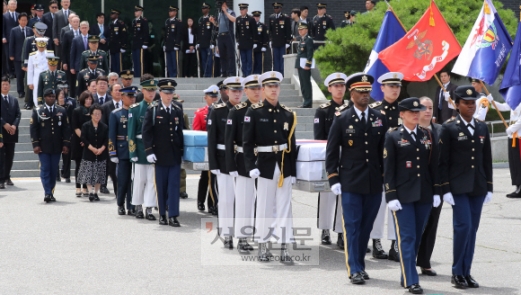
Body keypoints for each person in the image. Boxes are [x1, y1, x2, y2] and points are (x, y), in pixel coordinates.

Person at [325, 73, 387, 284]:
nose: (365, 95)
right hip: (350, 181)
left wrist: (386, 178)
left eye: (367, 92)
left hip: (373, 181)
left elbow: (383, 152)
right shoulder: (342, 118)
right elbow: (332, 151)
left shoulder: (379, 118)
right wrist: (333, 179)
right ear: (352, 94)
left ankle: (360, 263)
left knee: (366, 227)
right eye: (360, 92)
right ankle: (354, 269)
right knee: (352, 225)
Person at [384, 97, 440, 295]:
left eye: (418, 111)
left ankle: (405, 276)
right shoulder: (393, 136)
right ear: (402, 114)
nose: (416, 114)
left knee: (416, 238)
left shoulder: (426, 134)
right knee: (406, 237)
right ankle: (412, 281)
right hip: (402, 196)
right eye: (411, 112)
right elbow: (388, 169)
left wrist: (436, 191)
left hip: (424, 195)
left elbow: (433, 166)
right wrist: (391, 195)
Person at [439, 85, 493, 289]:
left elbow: (486, 159)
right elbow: (442, 161)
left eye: (473, 103)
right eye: (466, 103)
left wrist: (489, 187)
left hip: (477, 186)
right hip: (457, 187)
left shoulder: (481, 127)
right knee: (463, 227)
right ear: (456, 104)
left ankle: (467, 272)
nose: (471, 106)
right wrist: (445, 188)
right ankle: (456, 272)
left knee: (473, 230)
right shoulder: (449, 128)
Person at [243, 71, 297, 263]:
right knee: (264, 206)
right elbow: (247, 143)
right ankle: (263, 246)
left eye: (276, 86)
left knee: (284, 207)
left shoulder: (288, 113)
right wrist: (250, 165)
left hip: (284, 165)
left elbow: (291, 145)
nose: (274, 90)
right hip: (264, 164)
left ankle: (284, 247)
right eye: (270, 87)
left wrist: (294, 171)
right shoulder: (254, 111)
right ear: (263, 89)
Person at [225, 74, 262, 253]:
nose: (256, 92)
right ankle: (242, 237)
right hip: (242, 162)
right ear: (245, 90)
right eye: (252, 89)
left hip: (264, 161)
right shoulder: (237, 111)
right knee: (245, 201)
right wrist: (231, 166)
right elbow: (229, 141)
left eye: (258, 88)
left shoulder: (265, 109)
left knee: (263, 202)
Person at [369, 72, 404, 262]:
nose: (394, 89)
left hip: (399, 165)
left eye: (397, 86)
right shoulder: (374, 110)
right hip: (379, 165)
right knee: (379, 205)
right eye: (390, 86)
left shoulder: (405, 110)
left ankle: (394, 244)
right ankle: (376, 241)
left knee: (397, 205)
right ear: (382, 88)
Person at [142, 78, 184, 227]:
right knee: (161, 185)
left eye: (171, 93)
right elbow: (146, 132)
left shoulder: (177, 109)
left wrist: (182, 151)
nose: (169, 96)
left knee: (173, 185)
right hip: (159, 154)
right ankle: (161, 214)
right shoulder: (153, 109)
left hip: (174, 154)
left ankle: (173, 215)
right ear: (160, 93)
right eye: (166, 93)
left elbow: (180, 133)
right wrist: (149, 151)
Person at [314, 73, 349, 249]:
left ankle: (342, 232)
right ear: (329, 89)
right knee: (327, 195)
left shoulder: (350, 108)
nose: (339, 88)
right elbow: (318, 137)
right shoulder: (323, 110)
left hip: (349, 157)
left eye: (342, 85)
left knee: (345, 197)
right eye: (336, 86)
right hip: (329, 155)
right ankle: (325, 229)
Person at [208, 76, 244, 248]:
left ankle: (243, 235)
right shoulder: (218, 110)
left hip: (242, 160)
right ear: (227, 91)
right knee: (226, 200)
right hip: (222, 161)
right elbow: (211, 140)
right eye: (234, 90)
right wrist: (213, 164)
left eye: (239, 90)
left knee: (244, 200)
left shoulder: (247, 110)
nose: (237, 94)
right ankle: (227, 234)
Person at [416, 96, 443, 277]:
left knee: (432, 224)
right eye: (424, 107)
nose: (428, 110)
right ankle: (409, 261)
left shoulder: (441, 130)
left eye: (431, 107)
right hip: (416, 186)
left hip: (437, 185)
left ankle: (425, 262)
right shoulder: (411, 131)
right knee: (416, 225)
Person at [29, 88, 71, 203]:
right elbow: (34, 129)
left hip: (57, 146)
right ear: (44, 98)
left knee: (53, 170)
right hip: (43, 146)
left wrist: (66, 143)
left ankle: (51, 191)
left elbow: (66, 129)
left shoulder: (61, 110)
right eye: (49, 96)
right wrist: (35, 144)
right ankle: (47, 192)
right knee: (45, 169)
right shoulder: (38, 110)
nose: (51, 98)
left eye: (53, 96)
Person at [127, 79, 157, 220]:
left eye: (153, 90)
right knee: (139, 180)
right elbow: (131, 133)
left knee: (152, 180)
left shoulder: (157, 107)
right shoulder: (136, 108)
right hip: (139, 148)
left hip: (154, 148)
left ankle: (149, 208)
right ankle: (138, 206)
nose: (151, 93)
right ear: (143, 91)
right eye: (148, 90)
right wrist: (132, 152)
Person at [109, 86, 137, 216]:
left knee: (134, 180)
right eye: (129, 97)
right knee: (123, 179)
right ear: (122, 97)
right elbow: (112, 134)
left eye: (133, 96)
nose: (132, 99)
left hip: (135, 150)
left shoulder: (136, 112)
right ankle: (120, 204)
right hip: (122, 150)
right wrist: (112, 152)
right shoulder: (116, 114)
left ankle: (131, 205)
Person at [193, 85, 219, 214]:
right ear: (205, 98)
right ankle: (200, 201)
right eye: (211, 96)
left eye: (216, 96)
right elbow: (196, 132)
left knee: (214, 177)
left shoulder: (220, 111)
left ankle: (212, 204)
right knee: (205, 177)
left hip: (217, 149)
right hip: (205, 149)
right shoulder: (200, 113)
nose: (214, 99)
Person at [489, 98, 521, 198]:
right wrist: (492, 101)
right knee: (514, 163)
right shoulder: (515, 99)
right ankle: (518, 185)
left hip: (519, 135)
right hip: (512, 135)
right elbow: (503, 107)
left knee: (519, 161)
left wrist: (512, 128)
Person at [77, 104, 108, 202]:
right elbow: (83, 138)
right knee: (88, 173)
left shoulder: (104, 126)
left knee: (99, 173)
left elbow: (107, 139)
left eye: (99, 114)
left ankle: (96, 192)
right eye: (95, 114)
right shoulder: (86, 126)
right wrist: (92, 148)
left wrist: (102, 148)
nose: (97, 116)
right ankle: (90, 192)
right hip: (89, 152)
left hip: (101, 153)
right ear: (91, 114)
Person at [21, 22, 52, 109]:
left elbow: (50, 54)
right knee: (30, 86)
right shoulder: (29, 40)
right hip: (34, 67)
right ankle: (28, 102)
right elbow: (26, 52)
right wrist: (25, 64)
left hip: (45, 70)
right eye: (38, 31)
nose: (40, 33)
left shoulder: (47, 40)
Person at [100, 83, 122, 195]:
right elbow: (103, 126)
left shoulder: (127, 105)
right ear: (111, 92)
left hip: (124, 142)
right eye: (116, 90)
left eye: (120, 90)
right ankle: (117, 190)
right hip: (111, 142)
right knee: (112, 167)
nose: (118, 92)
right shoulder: (105, 106)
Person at [0, 76, 21, 188]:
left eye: (7, 84)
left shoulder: (14, 99)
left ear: (9, 86)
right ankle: (1, 179)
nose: (5, 86)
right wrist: (4, 123)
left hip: (11, 133)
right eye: (3, 84)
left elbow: (18, 114)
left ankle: (7, 176)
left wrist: (14, 125)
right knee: (1, 157)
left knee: (10, 155)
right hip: (1, 133)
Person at [71, 90, 92, 196]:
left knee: (88, 165)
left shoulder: (93, 111)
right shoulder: (77, 110)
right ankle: (78, 186)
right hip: (78, 141)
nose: (88, 101)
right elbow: (75, 127)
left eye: (90, 99)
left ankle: (85, 187)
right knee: (79, 165)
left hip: (89, 142)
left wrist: (88, 141)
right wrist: (84, 139)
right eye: (86, 99)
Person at [10, 13, 33, 99]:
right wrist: (11, 54)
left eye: (25, 20)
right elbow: (11, 43)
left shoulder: (30, 30)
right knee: (19, 75)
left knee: (28, 75)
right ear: (19, 20)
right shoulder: (14, 30)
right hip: (18, 56)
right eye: (22, 20)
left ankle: (28, 92)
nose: (23, 22)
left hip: (29, 56)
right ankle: (20, 91)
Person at [210, 1, 237, 77]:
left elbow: (234, 20)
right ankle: (224, 71)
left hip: (228, 35)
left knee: (230, 54)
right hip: (221, 36)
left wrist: (226, 12)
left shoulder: (231, 12)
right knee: (222, 55)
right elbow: (218, 25)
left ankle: (231, 72)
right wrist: (213, 22)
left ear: (225, 4)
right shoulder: (219, 14)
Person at [55, 88, 73, 182]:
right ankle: (56, 175)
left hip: (66, 133)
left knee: (67, 156)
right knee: (56, 156)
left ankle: (66, 174)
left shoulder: (69, 106)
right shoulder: (54, 107)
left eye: (63, 94)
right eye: (60, 94)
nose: (61, 95)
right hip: (57, 135)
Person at [268, 2, 291, 75]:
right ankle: (276, 74)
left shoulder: (285, 17)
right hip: (275, 42)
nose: (276, 9)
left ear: (280, 8)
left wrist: (288, 41)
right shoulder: (271, 17)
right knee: (275, 60)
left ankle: (282, 74)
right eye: (274, 8)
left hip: (282, 42)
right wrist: (270, 40)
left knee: (282, 60)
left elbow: (288, 30)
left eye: (277, 8)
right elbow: (270, 30)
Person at [27, 37, 50, 107]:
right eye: (40, 47)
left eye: (43, 47)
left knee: (48, 92)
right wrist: (30, 82)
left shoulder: (50, 54)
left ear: (45, 46)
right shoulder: (32, 55)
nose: (41, 48)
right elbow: (30, 70)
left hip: (47, 77)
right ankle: (38, 107)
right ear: (36, 45)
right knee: (36, 93)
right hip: (36, 78)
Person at [60, 14, 79, 97]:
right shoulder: (67, 34)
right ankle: (71, 97)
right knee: (71, 81)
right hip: (69, 60)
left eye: (77, 22)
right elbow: (63, 49)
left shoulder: (82, 32)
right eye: (74, 22)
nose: (75, 23)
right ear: (70, 22)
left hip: (79, 60)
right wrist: (64, 62)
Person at [295, 22, 313, 108]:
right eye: (299, 29)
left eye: (301, 29)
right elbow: (299, 53)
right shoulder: (301, 39)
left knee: (306, 84)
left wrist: (308, 65)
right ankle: (305, 101)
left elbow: (310, 53)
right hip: (300, 65)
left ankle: (308, 102)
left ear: (306, 30)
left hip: (305, 65)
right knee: (302, 84)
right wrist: (297, 65)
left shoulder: (308, 39)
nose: (300, 31)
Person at [235, 3, 256, 77]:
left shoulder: (251, 19)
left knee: (249, 60)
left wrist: (254, 42)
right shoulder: (238, 19)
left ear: (246, 10)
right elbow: (237, 32)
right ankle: (244, 74)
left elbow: (254, 31)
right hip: (241, 43)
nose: (241, 11)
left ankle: (248, 74)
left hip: (249, 43)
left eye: (243, 9)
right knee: (243, 60)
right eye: (240, 9)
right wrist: (237, 41)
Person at [197, 3, 215, 77]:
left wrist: (213, 42)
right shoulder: (201, 19)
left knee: (209, 60)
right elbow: (199, 32)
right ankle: (205, 74)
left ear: (208, 9)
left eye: (205, 8)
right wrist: (198, 42)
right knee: (203, 60)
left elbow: (213, 31)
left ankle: (209, 74)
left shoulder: (211, 18)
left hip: (209, 43)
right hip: (202, 43)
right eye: (202, 8)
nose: (203, 10)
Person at [164, 6, 182, 78]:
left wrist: (177, 44)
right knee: (169, 62)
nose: (170, 12)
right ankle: (170, 75)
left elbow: (179, 34)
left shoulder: (178, 22)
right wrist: (165, 44)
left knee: (175, 62)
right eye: (169, 11)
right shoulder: (168, 21)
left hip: (174, 45)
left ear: (175, 12)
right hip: (168, 45)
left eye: (171, 11)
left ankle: (175, 75)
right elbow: (166, 34)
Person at [3, 0, 20, 79]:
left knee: (17, 55)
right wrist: (3, 37)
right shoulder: (4, 16)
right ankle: (10, 72)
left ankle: (17, 72)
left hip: (17, 39)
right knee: (8, 56)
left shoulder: (19, 15)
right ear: (8, 6)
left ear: (16, 6)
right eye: (11, 4)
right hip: (8, 39)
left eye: (14, 4)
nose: (13, 6)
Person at [131, 5, 148, 78]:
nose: (135, 12)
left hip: (140, 44)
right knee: (135, 61)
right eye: (135, 11)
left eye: (137, 11)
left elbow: (146, 32)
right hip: (135, 44)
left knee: (139, 61)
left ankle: (140, 75)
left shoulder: (143, 21)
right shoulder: (134, 21)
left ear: (140, 12)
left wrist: (145, 43)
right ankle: (136, 74)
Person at [108, 9, 127, 73]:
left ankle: (119, 76)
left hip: (119, 47)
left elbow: (124, 35)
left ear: (116, 15)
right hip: (112, 47)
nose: (111, 15)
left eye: (113, 14)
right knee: (113, 64)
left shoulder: (120, 23)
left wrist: (123, 46)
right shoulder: (111, 24)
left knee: (119, 64)